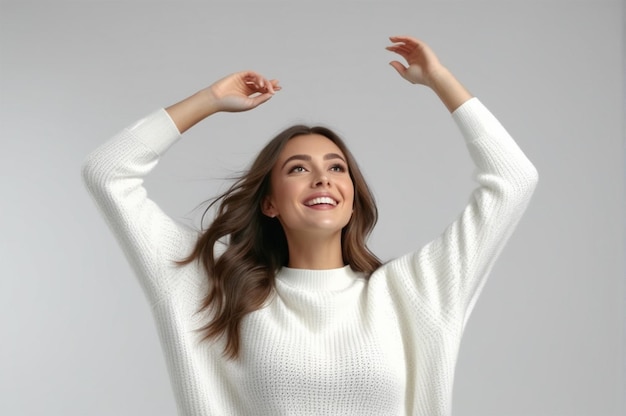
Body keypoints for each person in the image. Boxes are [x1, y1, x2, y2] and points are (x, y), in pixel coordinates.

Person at [82, 36, 538, 415]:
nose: (322, 177)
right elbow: (108, 172)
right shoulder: (214, 289)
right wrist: (209, 101)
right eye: (298, 169)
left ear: (352, 195)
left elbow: (515, 179)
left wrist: (440, 81)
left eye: (337, 168)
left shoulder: (412, 291)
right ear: (269, 204)